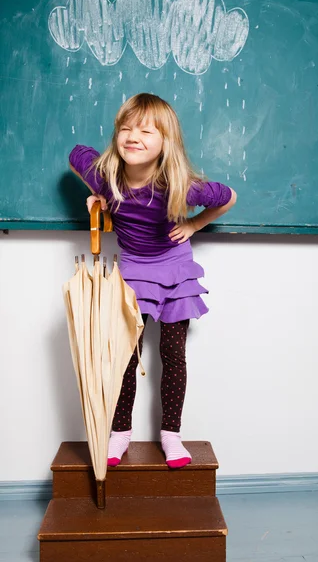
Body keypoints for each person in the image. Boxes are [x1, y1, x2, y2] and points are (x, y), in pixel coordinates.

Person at [69, 93, 236, 469]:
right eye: (126, 129)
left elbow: (229, 196)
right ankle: (120, 432)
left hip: (174, 268)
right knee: (126, 354)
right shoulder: (106, 176)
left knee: (173, 354)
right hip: (133, 269)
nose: (133, 136)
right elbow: (76, 153)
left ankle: (171, 435)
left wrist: (194, 224)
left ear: (166, 142)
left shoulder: (180, 185)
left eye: (146, 130)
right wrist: (95, 192)